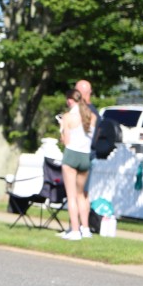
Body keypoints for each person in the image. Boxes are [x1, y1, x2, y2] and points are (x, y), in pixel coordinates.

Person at [58, 88, 97, 240]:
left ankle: (75, 230)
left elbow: (66, 141)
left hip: (72, 155)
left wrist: (61, 129)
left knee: (71, 196)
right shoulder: (91, 116)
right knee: (81, 195)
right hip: (85, 156)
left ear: (70, 100)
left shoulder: (68, 117)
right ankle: (85, 229)